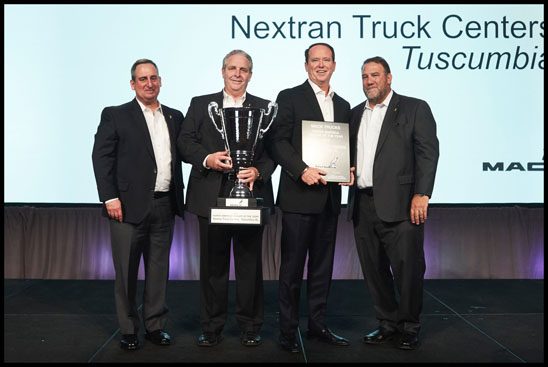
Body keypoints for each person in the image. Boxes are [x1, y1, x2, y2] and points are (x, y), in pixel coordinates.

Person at [177, 50, 276, 348]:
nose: (237, 74)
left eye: (243, 69)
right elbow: (184, 143)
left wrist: (258, 171)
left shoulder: (265, 108)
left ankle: (250, 326)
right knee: (212, 268)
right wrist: (207, 158)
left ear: (250, 74)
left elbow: (275, 153)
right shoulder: (200, 105)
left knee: (250, 266)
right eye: (232, 68)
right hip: (211, 197)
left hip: (250, 198)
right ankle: (212, 327)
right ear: (222, 72)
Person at [91, 59, 185, 350]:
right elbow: (101, 157)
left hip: (164, 205)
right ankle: (129, 329)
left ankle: (155, 326)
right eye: (142, 78)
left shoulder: (174, 116)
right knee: (126, 272)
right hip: (127, 208)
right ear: (133, 84)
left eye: (153, 77)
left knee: (158, 271)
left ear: (160, 81)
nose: (149, 83)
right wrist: (109, 197)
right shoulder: (116, 115)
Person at [347, 56, 439, 350]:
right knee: (374, 270)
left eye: (375, 75)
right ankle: (387, 323)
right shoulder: (353, 114)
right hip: (362, 203)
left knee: (408, 269)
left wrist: (422, 194)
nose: (369, 81)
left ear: (389, 78)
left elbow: (427, 153)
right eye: (364, 76)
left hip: (403, 204)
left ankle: (410, 326)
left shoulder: (414, 108)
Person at [268, 43, 353, 353]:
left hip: (329, 199)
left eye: (326, 60)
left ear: (334, 64)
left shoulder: (343, 105)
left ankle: (318, 325)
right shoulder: (289, 97)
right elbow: (277, 142)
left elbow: (344, 149)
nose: (321, 65)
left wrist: (349, 168)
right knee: (291, 269)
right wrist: (300, 169)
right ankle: (288, 331)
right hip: (298, 198)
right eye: (315, 60)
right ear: (305, 65)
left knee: (322, 268)